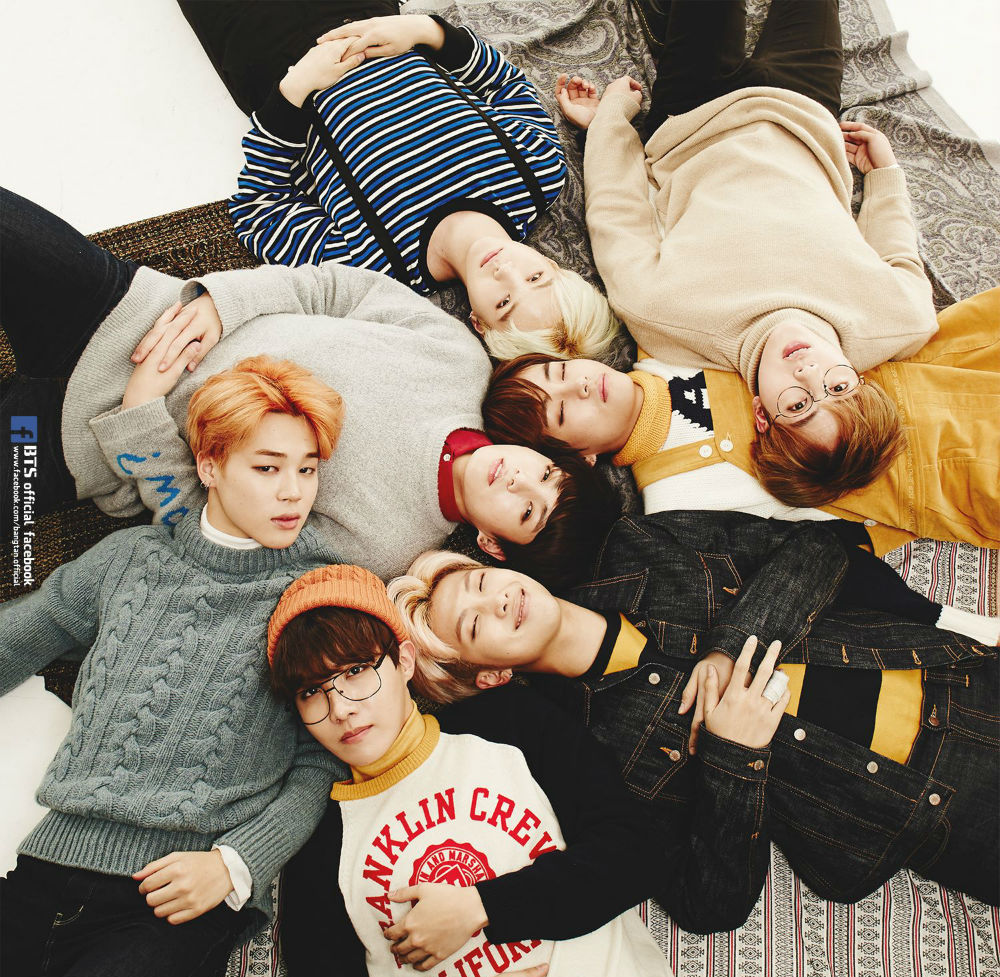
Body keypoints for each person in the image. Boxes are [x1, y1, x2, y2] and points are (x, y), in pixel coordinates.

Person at [389, 510, 999, 926]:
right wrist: (735, 757)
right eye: (476, 624)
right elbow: (707, 903)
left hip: (959, 676)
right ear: (492, 676)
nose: (497, 600)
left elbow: (820, 547)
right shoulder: (601, 753)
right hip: (936, 806)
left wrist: (730, 645)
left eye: (481, 581)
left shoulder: (638, 544)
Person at [0, 188, 617, 584]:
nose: (518, 480)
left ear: (493, 545)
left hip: (75, 442)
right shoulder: (459, 359)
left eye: (527, 510)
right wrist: (221, 303)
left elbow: (207, 540)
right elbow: (333, 288)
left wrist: (139, 414)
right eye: (545, 473)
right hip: (128, 305)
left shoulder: (381, 549)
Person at [0, 357, 346, 977]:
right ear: (210, 466)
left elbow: (323, 761)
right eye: (267, 468)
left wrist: (236, 864)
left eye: (307, 469)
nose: (294, 492)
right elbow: (25, 633)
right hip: (45, 866)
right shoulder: (129, 558)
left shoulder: (320, 592)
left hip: (176, 902)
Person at [554, 0, 940, 500]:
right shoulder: (902, 320)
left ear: (761, 414)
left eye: (798, 405)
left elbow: (618, 212)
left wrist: (611, 123)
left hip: (694, 115)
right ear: (861, 382)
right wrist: (885, 174)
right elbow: (898, 252)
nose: (809, 373)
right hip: (805, 109)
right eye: (838, 388)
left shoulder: (666, 321)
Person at [266, 563, 680, 977]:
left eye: (355, 672)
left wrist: (482, 905)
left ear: (403, 661)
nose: (341, 709)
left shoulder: (510, 723)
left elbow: (639, 854)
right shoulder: (320, 849)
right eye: (311, 692)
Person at [195, 4, 623, 360]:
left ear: (478, 321)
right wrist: (427, 31)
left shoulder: (374, 265)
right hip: (368, 15)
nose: (505, 271)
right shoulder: (537, 174)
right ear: (554, 265)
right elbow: (505, 86)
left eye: (503, 302)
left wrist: (294, 90)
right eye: (535, 278)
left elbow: (257, 209)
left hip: (265, 51)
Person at [480, 284, 1000, 553]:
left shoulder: (660, 340)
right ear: (582, 457)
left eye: (562, 371)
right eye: (564, 410)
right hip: (925, 474)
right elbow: (817, 540)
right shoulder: (674, 504)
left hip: (914, 373)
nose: (580, 385)